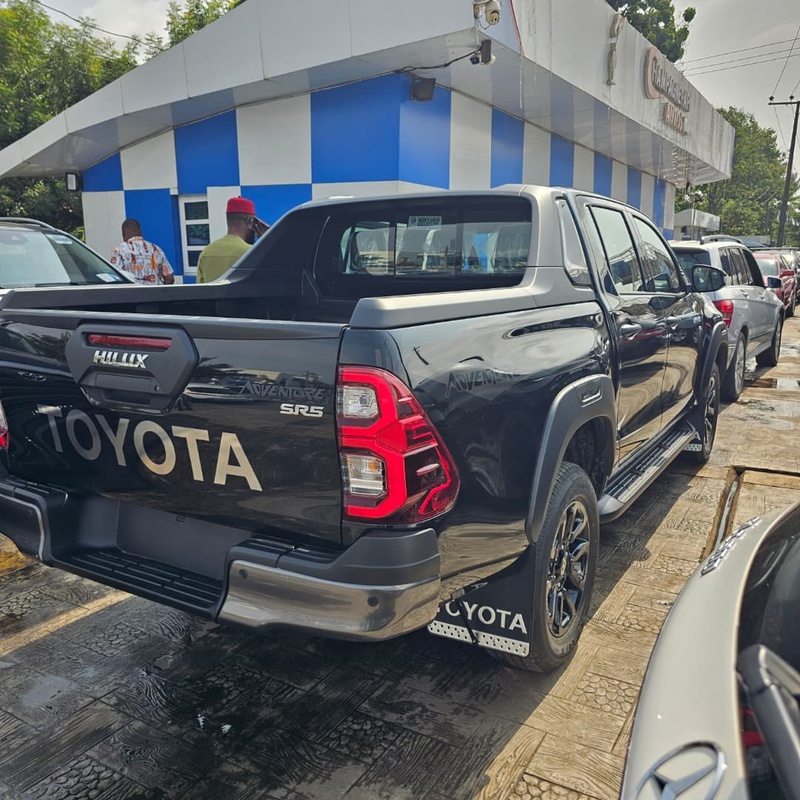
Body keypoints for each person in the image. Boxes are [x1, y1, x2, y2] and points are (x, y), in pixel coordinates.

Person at [196, 196, 269, 284]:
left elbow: (200, 289)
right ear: (250, 221)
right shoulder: (251, 253)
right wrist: (267, 241)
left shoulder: (206, 253)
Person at [109, 219, 175, 285]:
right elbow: (169, 278)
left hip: (131, 294)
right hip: (155, 294)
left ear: (123, 234)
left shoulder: (119, 251)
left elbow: (115, 278)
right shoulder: (157, 250)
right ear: (140, 232)